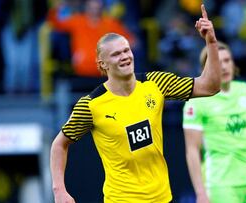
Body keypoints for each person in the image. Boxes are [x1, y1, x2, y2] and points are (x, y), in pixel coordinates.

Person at [50, 4, 220, 203]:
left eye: (126, 51)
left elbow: (210, 86)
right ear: (102, 64)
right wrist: (59, 189)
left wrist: (211, 42)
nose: (125, 57)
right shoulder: (91, 105)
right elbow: (59, 144)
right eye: (116, 54)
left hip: (162, 198)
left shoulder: (156, 83)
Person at [182, 41, 246, 203]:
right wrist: (200, 192)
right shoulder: (197, 101)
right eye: (217, 62)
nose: (224, 67)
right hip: (219, 185)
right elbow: (192, 150)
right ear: (207, 68)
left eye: (227, 60)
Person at [47, 0, 135, 77]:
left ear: (101, 8)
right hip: (82, 70)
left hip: (106, 71)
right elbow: (57, 24)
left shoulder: (110, 23)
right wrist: (56, 8)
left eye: (97, 8)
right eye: (91, 7)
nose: (94, 11)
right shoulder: (78, 21)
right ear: (86, 8)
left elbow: (131, 41)